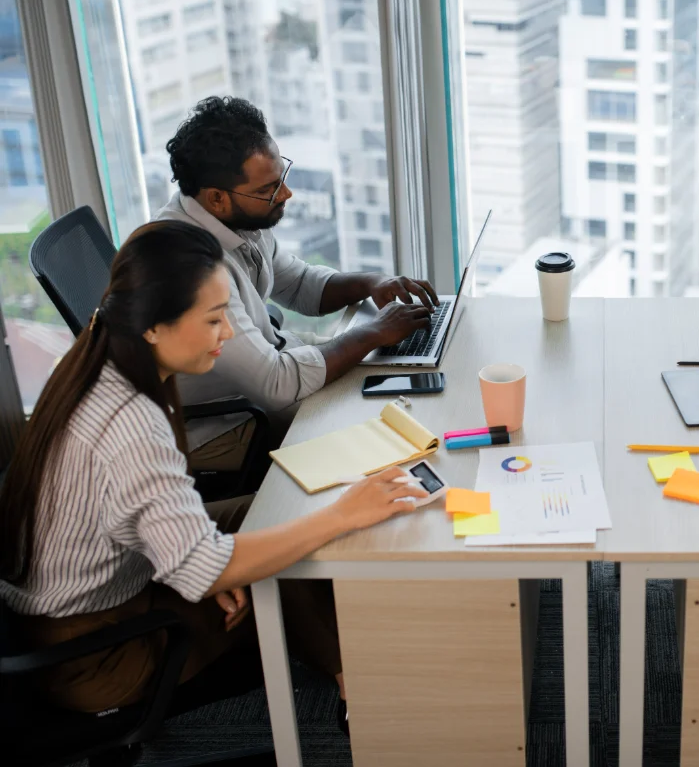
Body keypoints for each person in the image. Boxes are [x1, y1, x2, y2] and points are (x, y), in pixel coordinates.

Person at [0, 221, 428, 735]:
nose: (228, 332)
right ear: (155, 326)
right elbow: (202, 567)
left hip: (106, 586)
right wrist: (337, 517)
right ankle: (358, 689)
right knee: (302, 536)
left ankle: (349, 656)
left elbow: (152, 527)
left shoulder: (100, 351)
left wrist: (215, 564)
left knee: (279, 509)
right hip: (96, 655)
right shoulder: (130, 423)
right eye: (213, 319)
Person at [156, 96, 438, 472]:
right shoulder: (191, 269)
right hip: (222, 426)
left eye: (281, 179)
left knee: (397, 400)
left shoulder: (234, 222)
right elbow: (276, 385)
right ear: (217, 198)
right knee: (379, 443)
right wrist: (373, 333)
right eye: (268, 190)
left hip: (266, 384)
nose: (285, 194)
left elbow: (301, 285)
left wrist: (371, 282)